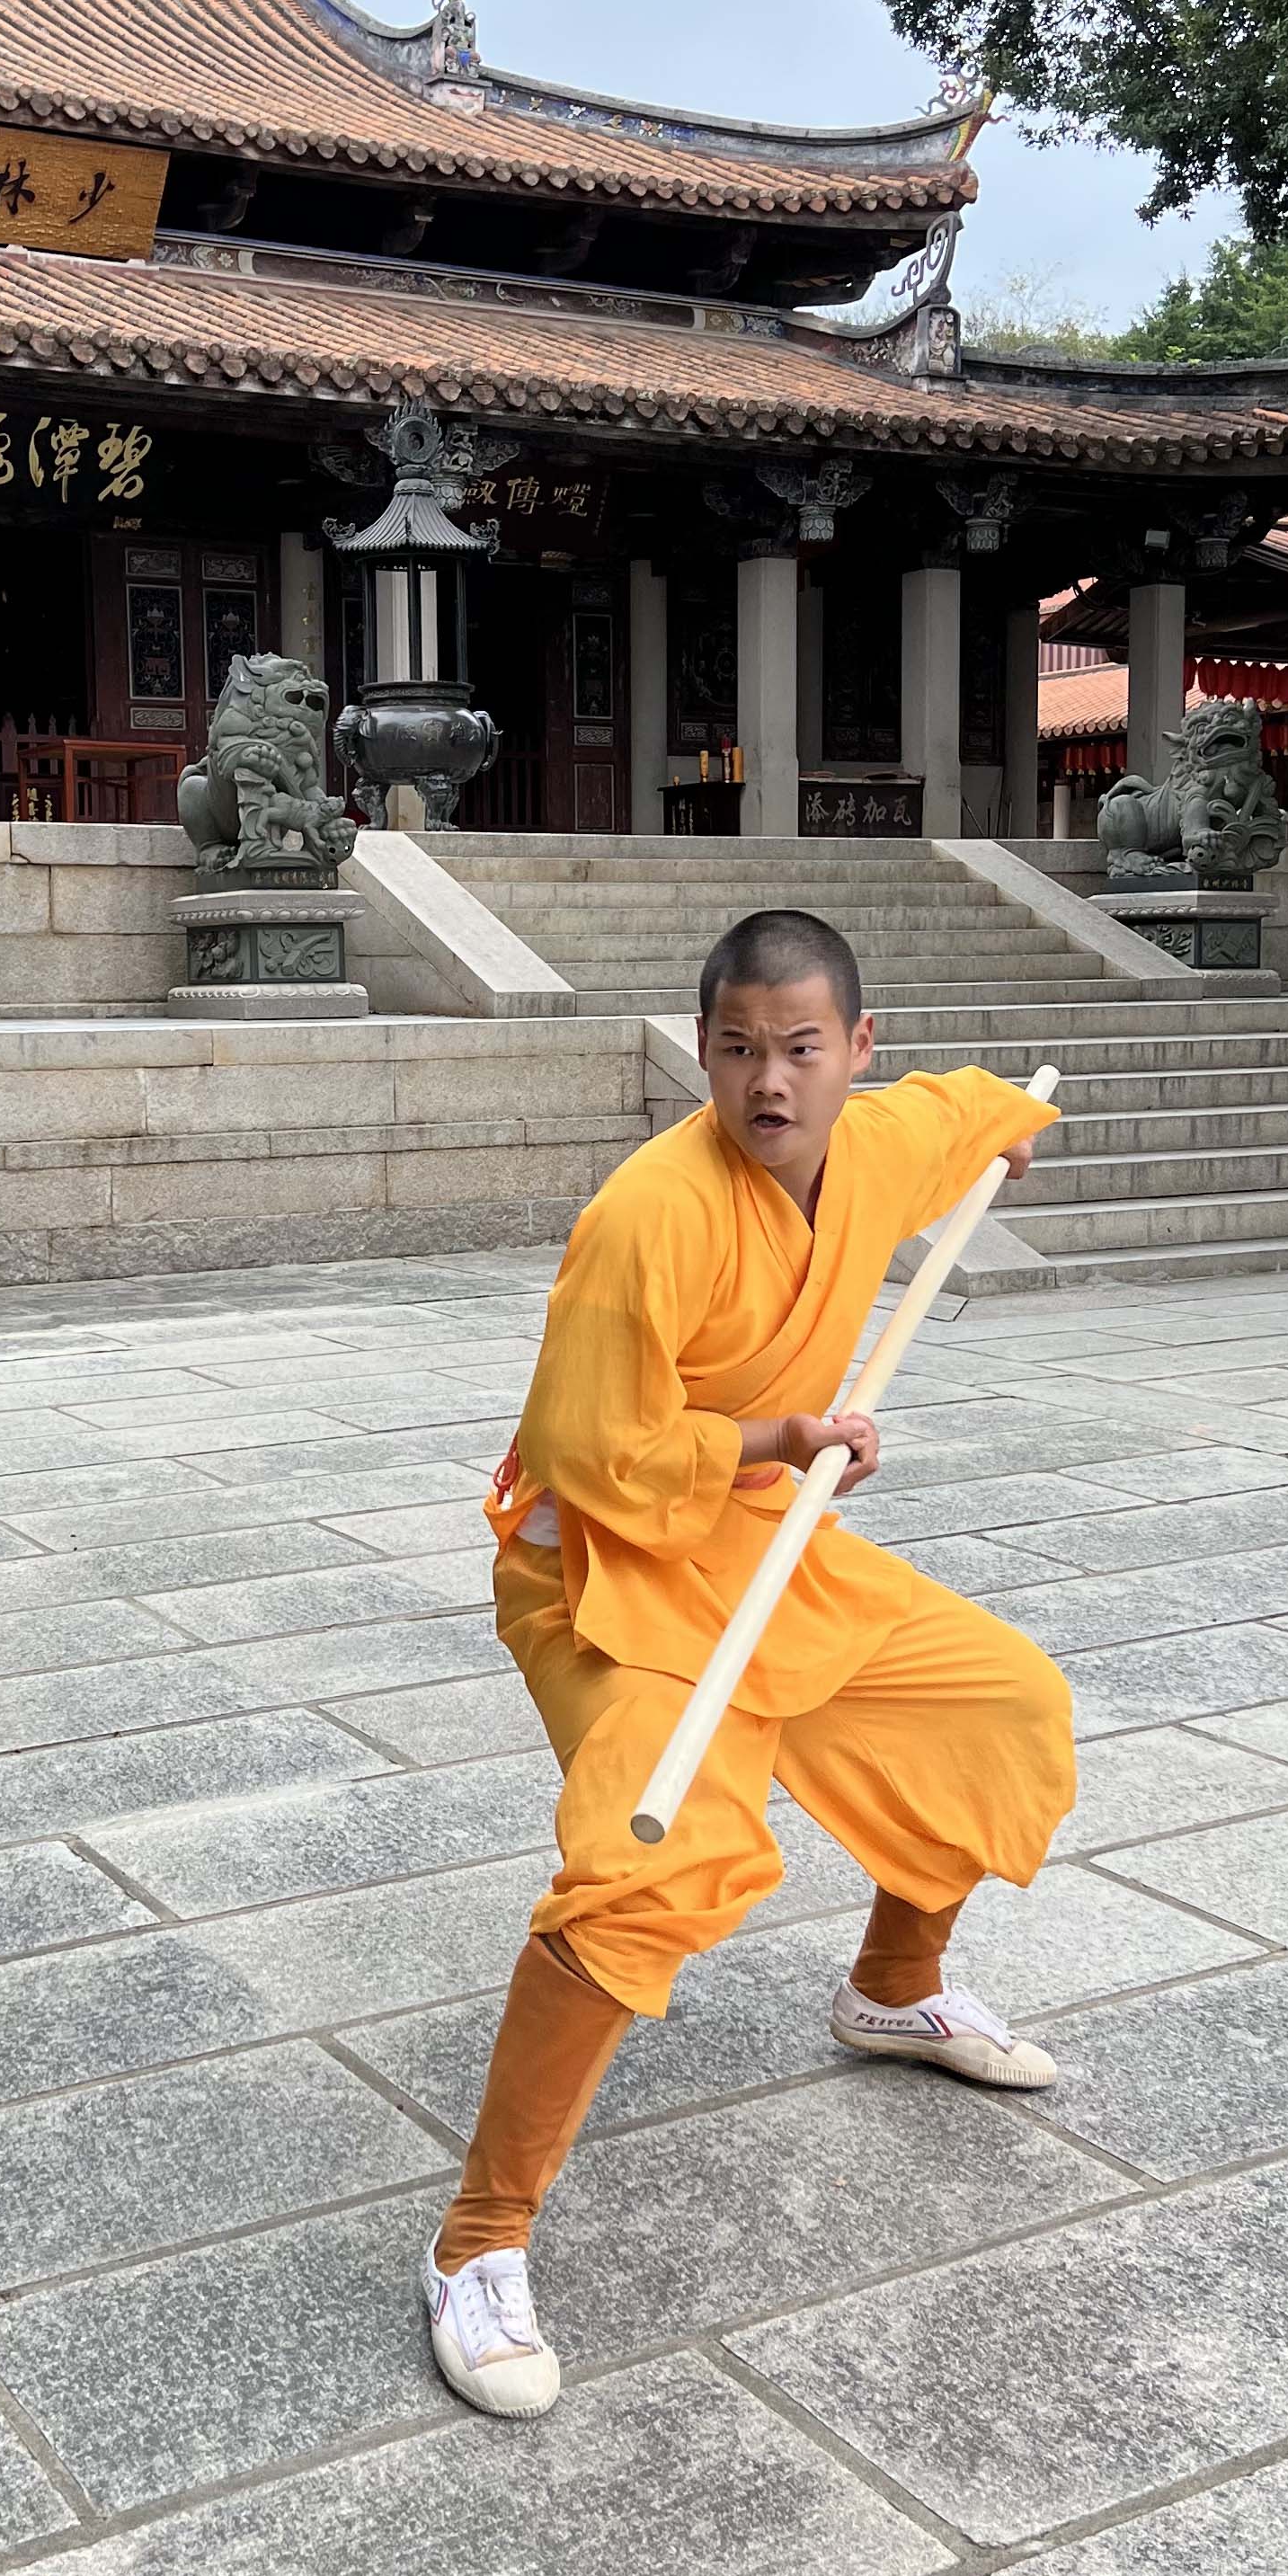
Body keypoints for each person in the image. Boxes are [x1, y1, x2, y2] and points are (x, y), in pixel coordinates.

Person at [422, 907, 1074, 2419]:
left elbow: (978, 1105)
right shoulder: (648, 1217)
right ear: (699, 1055)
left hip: (765, 1554)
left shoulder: (885, 1141)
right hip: (602, 1566)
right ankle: (480, 2240)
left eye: (798, 1049)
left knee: (998, 1702)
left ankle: (895, 1988)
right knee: (654, 1852)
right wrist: (782, 1438)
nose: (767, 1083)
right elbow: (590, 1454)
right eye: (733, 1051)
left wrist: (1016, 1132)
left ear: (857, 1049)